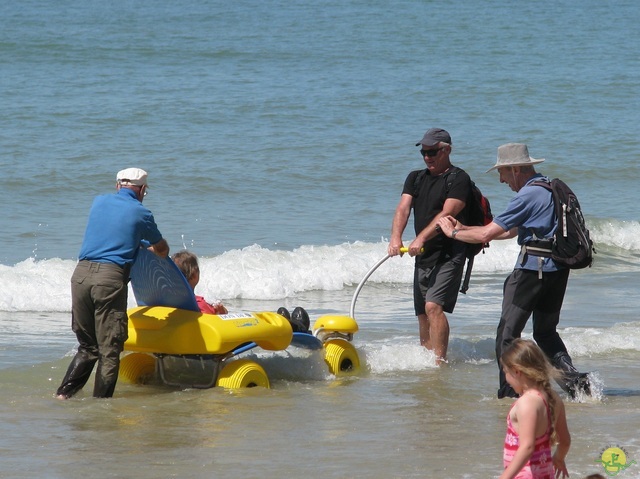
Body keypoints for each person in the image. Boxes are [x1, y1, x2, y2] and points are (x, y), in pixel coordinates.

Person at [437, 143, 590, 398]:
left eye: (503, 173)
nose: (501, 180)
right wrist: (463, 229)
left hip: (531, 273)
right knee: (546, 333)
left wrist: (452, 232)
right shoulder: (548, 189)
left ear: (516, 169)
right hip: (557, 271)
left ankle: (510, 392)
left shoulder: (527, 195)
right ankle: (576, 384)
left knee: (506, 335)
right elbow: (509, 231)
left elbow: (487, 233)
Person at [56, 168, 169, 399]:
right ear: (143, 190)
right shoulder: (142, 213)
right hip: (109, 280)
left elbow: (114, 230)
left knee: (88, 347)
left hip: (80, 276)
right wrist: (150, 248)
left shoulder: (98, 202)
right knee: (109, 351)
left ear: (117, 185)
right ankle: (101, 408)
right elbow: (161, 250)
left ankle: (62, 396)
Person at [388, 128, 475, 364]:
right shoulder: (415, 178)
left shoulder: (459, 178)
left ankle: (439, 363)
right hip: (424, 255)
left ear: (447, 150)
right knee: (422, 315)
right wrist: (396, 237)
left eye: (433, 152)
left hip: (450, 253)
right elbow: (403, 208)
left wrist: (421, 238)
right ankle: (427, 362)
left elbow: (448, 214)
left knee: (433, 306)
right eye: (424, 152)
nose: (427, 157)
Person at [499, 339, 571, 479]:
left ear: (517, 371)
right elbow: (565, 440)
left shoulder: (527, 403)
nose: (506, 380)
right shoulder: (553, 398)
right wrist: (558, 458)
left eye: (506, 373)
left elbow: (527, 447)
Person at [172, 250, 228, 314]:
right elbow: (213, 319)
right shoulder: (199, 305)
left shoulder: (168, 301)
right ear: (194, 275)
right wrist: (221, 311)